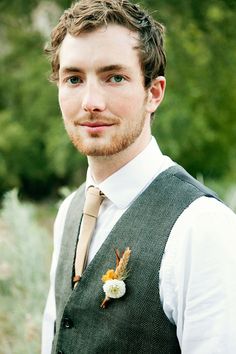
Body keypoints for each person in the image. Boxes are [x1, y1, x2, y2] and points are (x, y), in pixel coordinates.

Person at [41, 0, 236, 353]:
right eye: (73, 79)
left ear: (154, 93)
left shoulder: (203, 227)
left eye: (114, 77)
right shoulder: (69, 212)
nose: (91, 102)